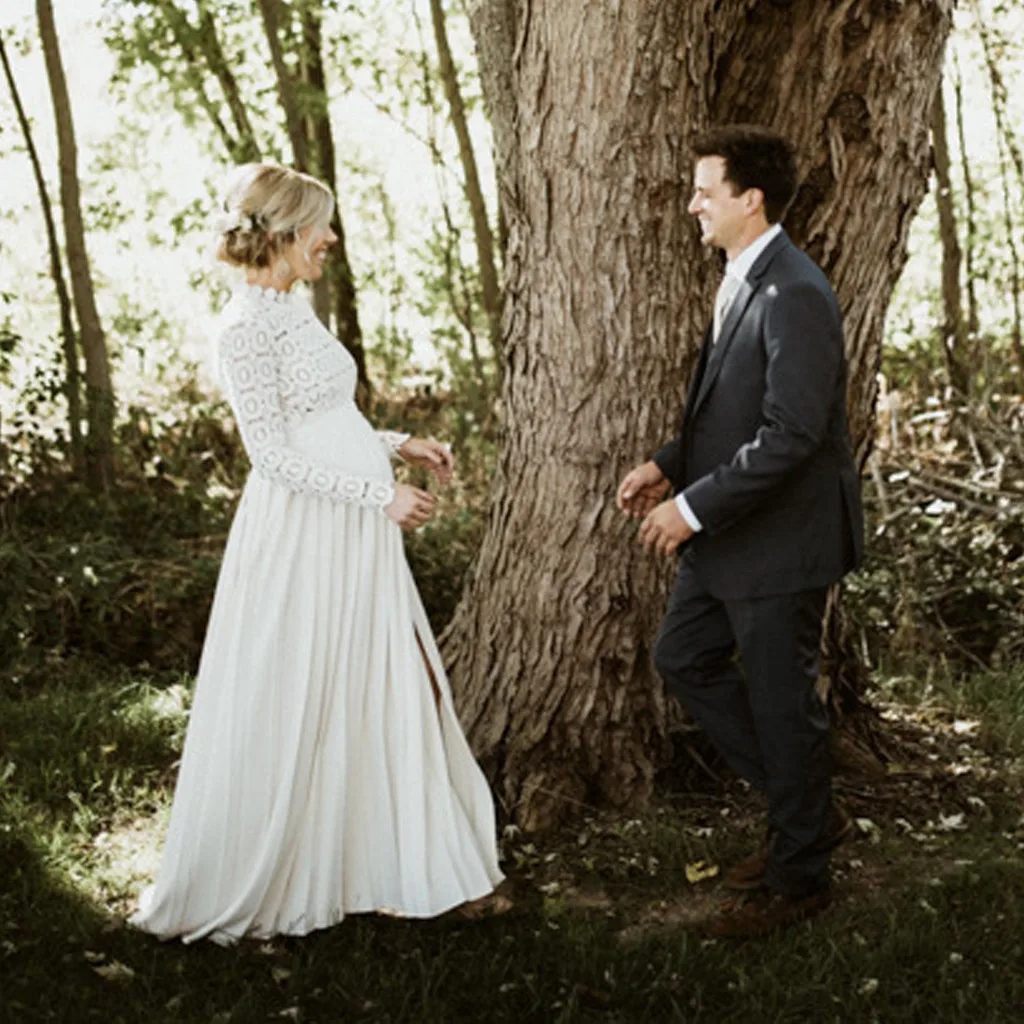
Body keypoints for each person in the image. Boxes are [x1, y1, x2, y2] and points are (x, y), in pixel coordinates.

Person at [131, 163, 506, 944]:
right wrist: (380, 496)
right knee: (305, 686)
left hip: (349, 526)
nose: (330, 238)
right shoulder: (242, 328)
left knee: (375, 681)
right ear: (284, 232)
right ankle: (297, 866)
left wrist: (398, 443)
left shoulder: (291, 310)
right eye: (320, 226)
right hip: (305, 536)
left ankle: (402, 865)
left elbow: (324, 423)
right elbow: (272, 455)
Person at [616, 125, 864, 938]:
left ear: (749, 199)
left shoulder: (795, 292)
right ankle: (806, 813)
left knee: (783, 706)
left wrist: (689, 510)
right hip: (731, 531)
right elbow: (730, 408)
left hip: (782, 539)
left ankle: (799, 881)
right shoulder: (742, 277)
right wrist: (667, 466)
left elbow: (791, 433)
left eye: (704, 191)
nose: (693, 204)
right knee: (682, 657)